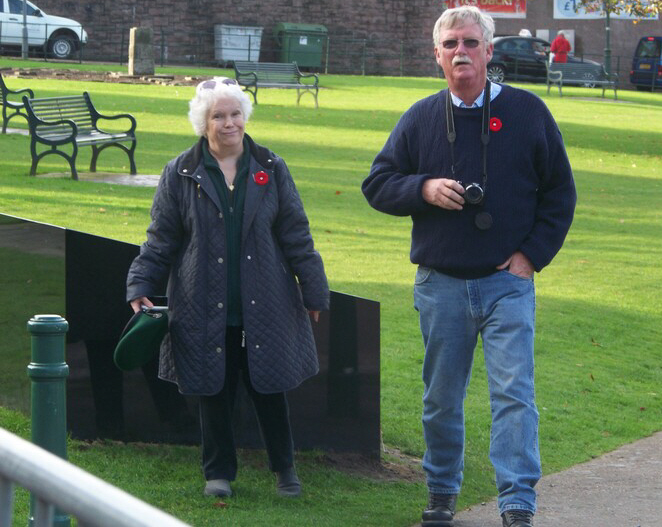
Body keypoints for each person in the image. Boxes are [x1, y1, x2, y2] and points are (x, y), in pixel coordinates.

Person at [361, 6, 575, 527]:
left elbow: (560, 193)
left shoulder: (528, 113)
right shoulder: (420, 116)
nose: (462, 52)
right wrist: (423, 188)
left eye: (471, 43)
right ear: (436, 54)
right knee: (440, 399)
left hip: (507, 283)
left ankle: (517, 503)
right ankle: (440, 494)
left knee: (514, 396)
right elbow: (377, 183)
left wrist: (530, 256)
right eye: (451, 44)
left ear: (489, 51)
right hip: (441, 285)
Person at [126, 77, 329, 499]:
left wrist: (314, 290)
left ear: (245, 117)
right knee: (212, 392)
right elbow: (160, 237)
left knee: (270, 389)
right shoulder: (180, 171)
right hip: (202, 302)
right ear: (203, 122)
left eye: (235, 113)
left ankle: (285, 470)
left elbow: (296, 233)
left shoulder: (272, 167)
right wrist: (140, 282)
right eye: (218, 115)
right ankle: (217, 474)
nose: (229, 123)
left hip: (267, 302)